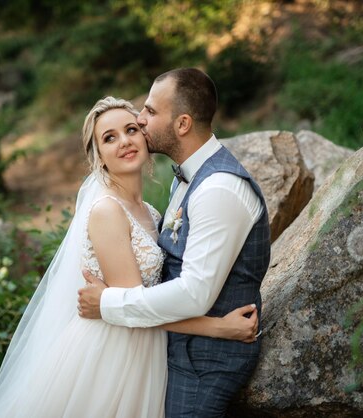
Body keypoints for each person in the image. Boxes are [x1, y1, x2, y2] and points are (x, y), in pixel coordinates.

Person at [0, 96, 259, 418]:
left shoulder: (150, 213)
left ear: (145, 136)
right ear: (99, 157)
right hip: (111, 353)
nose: (124, 141)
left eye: (131, 130)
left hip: (145, 349)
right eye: (109, 138)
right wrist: (219, 328)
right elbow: (135, 305)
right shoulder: (107, 211)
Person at [78, 68, 271, 417]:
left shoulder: (218, 189)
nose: (140, 118)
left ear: (182, 124)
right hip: (170, 351)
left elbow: (194, 292)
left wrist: (107, 303)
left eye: (150, 112)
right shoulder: (185, 181)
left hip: (207, 362)